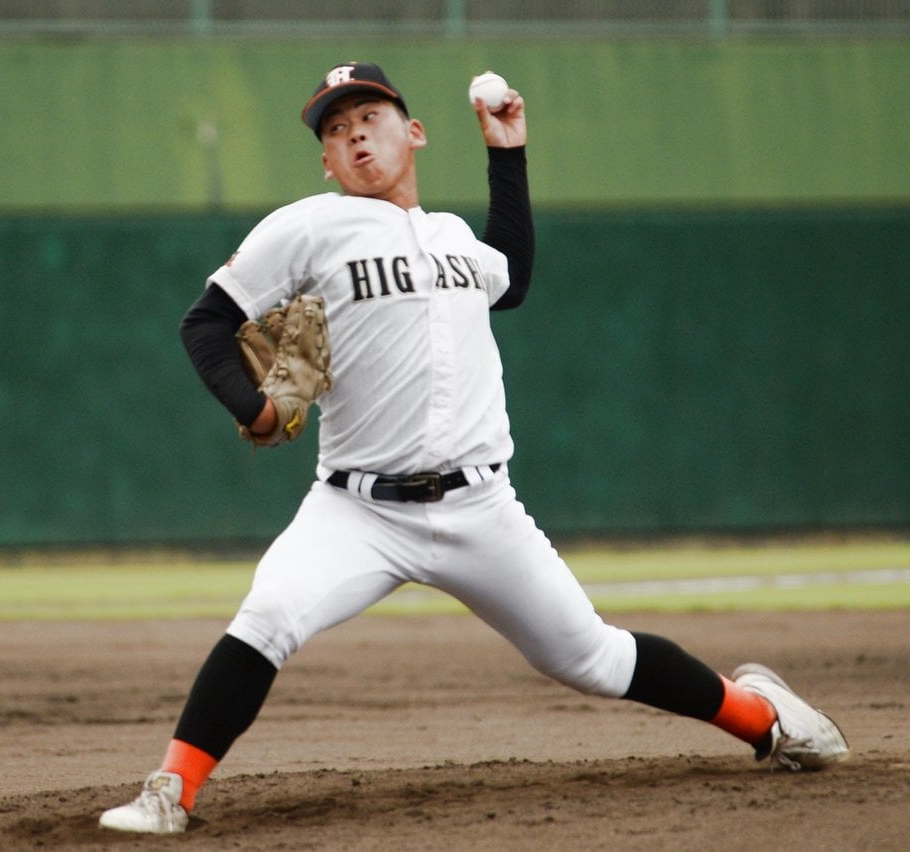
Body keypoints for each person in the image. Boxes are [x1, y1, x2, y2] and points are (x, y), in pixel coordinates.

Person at [99, 61, 848, 835]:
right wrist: (254, 409)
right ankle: (170, 791)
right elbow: (206, 321)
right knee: (268, 617)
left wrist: (507, 153)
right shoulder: (308, 226)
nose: (356, 136)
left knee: (591, 657)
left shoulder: (453, 237)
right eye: (337, 130)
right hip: (357, 510)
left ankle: (765, 717)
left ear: (415, 133)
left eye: (370, 118)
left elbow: (512, 277)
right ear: (326, 161)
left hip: (482, 507)